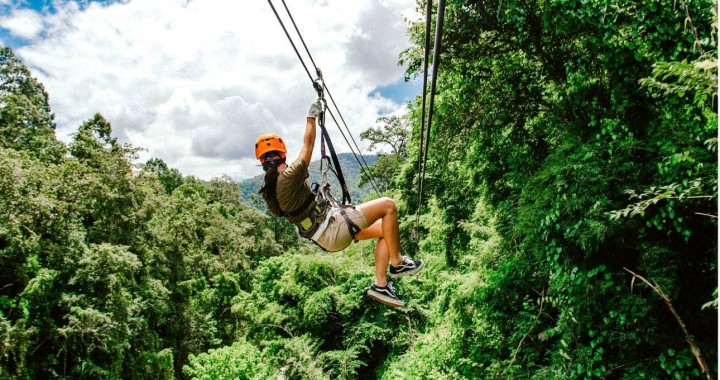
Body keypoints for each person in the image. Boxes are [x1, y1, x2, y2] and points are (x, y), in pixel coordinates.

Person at [255, 98, 423, 307]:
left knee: (385, 232)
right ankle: (397, 264)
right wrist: (311, 116)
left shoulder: (271, 191)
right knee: (388, 205)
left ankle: (381, 285)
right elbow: (308, 146)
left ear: (261, 161)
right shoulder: (288, 177)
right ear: (282, 154)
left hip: (325, 236)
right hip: (334, 227)